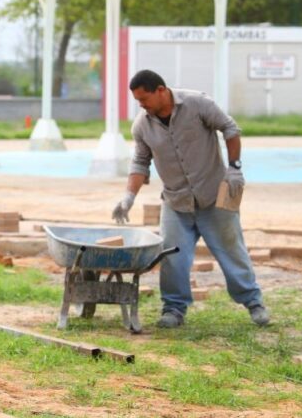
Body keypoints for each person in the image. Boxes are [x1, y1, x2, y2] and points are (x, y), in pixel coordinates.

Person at [112, 69, 269, 328]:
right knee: (172, 255)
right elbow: (141, 161)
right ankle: (174, 309)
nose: (141, 106)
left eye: (144, 99)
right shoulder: (142, 125)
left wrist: (235, 167)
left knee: (232, 250)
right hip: (176, 202)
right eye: (137, 101)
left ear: (161, 90)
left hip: (214, 196)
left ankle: (254, 303)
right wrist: (129, 196)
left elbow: (229, 128)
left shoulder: (197, 104)